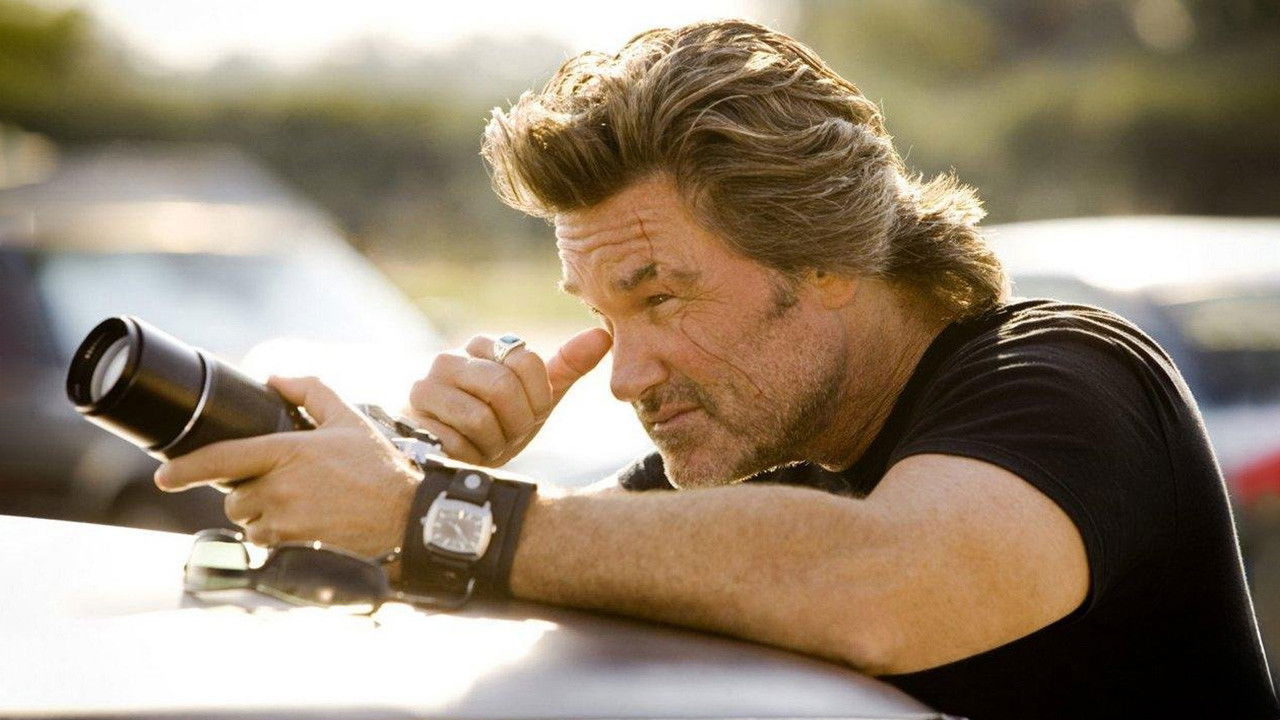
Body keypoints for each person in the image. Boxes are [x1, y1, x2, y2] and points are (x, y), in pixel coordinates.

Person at [153, 20, 1278, 719]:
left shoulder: (1066, 376)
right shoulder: (750, 468)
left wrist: (430, 510)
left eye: (660, 297)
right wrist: (428, 471)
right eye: (602, 315)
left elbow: (880, 588)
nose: (625, 375)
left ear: (828, 258)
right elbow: (522, 602)